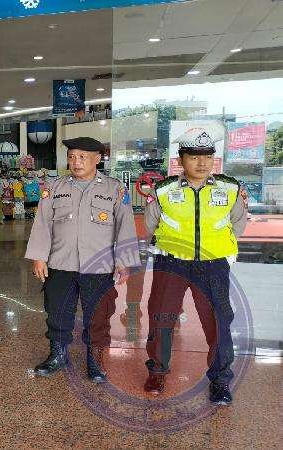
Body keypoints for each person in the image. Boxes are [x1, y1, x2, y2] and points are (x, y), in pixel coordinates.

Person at [142, 128, 248, 405]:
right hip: (172, 263)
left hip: (213, 265)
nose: (202, 163)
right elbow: (151, 224)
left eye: (207, 157)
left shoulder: (230, 188)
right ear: (181, 160)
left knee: (218, 321)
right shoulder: (164, 190)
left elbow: (238, 222)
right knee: (162, 317)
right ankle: (157, 371)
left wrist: (218, 249)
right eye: (194, 157)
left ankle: (220, 380)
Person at [25, 137, 138, 383]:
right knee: (57, 311)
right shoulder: (54, 187)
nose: (76, 162)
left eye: (82, 157)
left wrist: (124, 260)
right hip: (60, 263)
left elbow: (125, 226)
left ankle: (95, 359)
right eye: (72, 157)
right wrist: (39, 257)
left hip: (99, 266)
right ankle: (58, 354)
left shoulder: (114, 189)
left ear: (97, 159)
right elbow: (42, 223)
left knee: (98, 315)